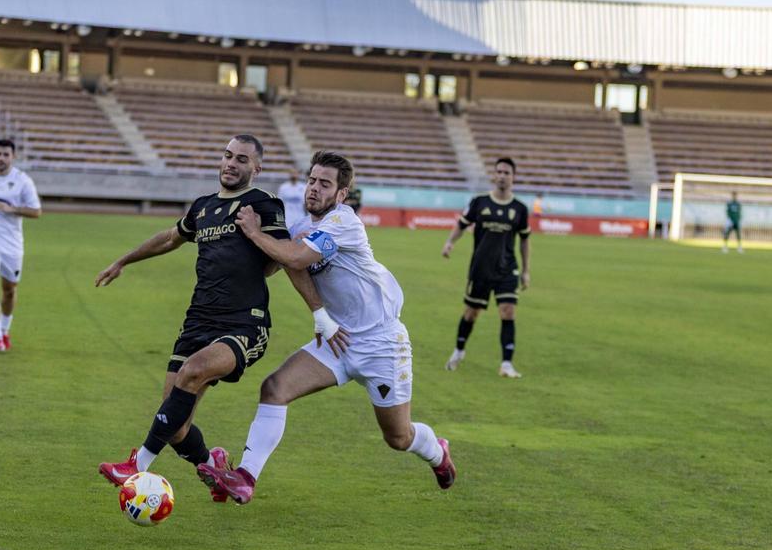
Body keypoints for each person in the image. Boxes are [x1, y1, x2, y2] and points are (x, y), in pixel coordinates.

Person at [196, 151, 456, 505]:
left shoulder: (343, 222)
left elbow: (296, 258)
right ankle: (245, 477)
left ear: (341, 194)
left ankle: (438, 452)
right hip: (337, 339)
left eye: (325, 184)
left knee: (397, 436)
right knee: (274, 388)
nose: (314, 188)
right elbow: (280, 265)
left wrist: (256, 233)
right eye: (312, 180)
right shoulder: (300, 229)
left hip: (381, 342)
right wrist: (240, 246)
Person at [95, 135, 345, 502]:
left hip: (244, 322)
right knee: (175, 427)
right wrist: (123, 261)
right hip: (197, 320)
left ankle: (137, 465)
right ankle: (213, 464)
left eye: (242, 159)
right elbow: (169, 238)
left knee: (193, 371)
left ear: (256, 168)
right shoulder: (203, 206)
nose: (231, 163)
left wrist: (317, 312)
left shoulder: (263, 204)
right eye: (228, 156)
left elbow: (286, 258)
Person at [441, 157, 530, 378]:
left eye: (506, 173)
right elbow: (462, 224)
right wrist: (450, 242)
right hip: (480, 268)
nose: (502, 176)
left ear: (513, 177)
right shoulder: (479, 202)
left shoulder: (520, 208)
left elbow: (524, 240)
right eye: (499, 172)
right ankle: (459, 350)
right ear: (494, 175)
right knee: (471, 313)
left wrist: (526, 270)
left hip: (507, 268)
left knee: (508, 311)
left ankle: (506, 364)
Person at [0, 139, 42, 352]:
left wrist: (12, 209)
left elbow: (36, 211)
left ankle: (4, 330)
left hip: (11, 244)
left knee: (9, 290)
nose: (1, 158)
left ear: (13, 157)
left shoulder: (23, 181)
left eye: (5, 155)